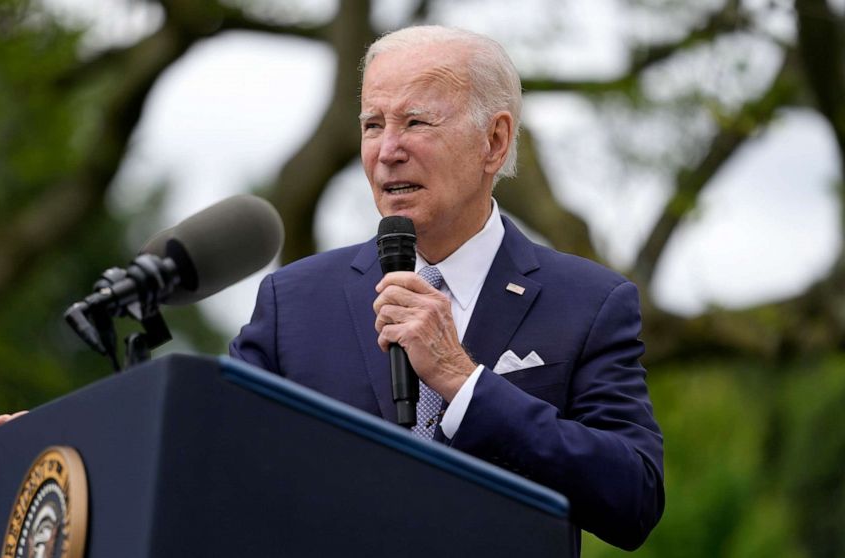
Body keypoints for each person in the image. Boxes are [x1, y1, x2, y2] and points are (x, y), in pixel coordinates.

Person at [229, 25, 664, 552]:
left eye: (416, 121)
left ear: (494, 142)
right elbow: (218, 474)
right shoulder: (292, 303)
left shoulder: (590, 303)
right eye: (372, 124)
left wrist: (465, 383)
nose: (387, 150)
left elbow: (632, 499)